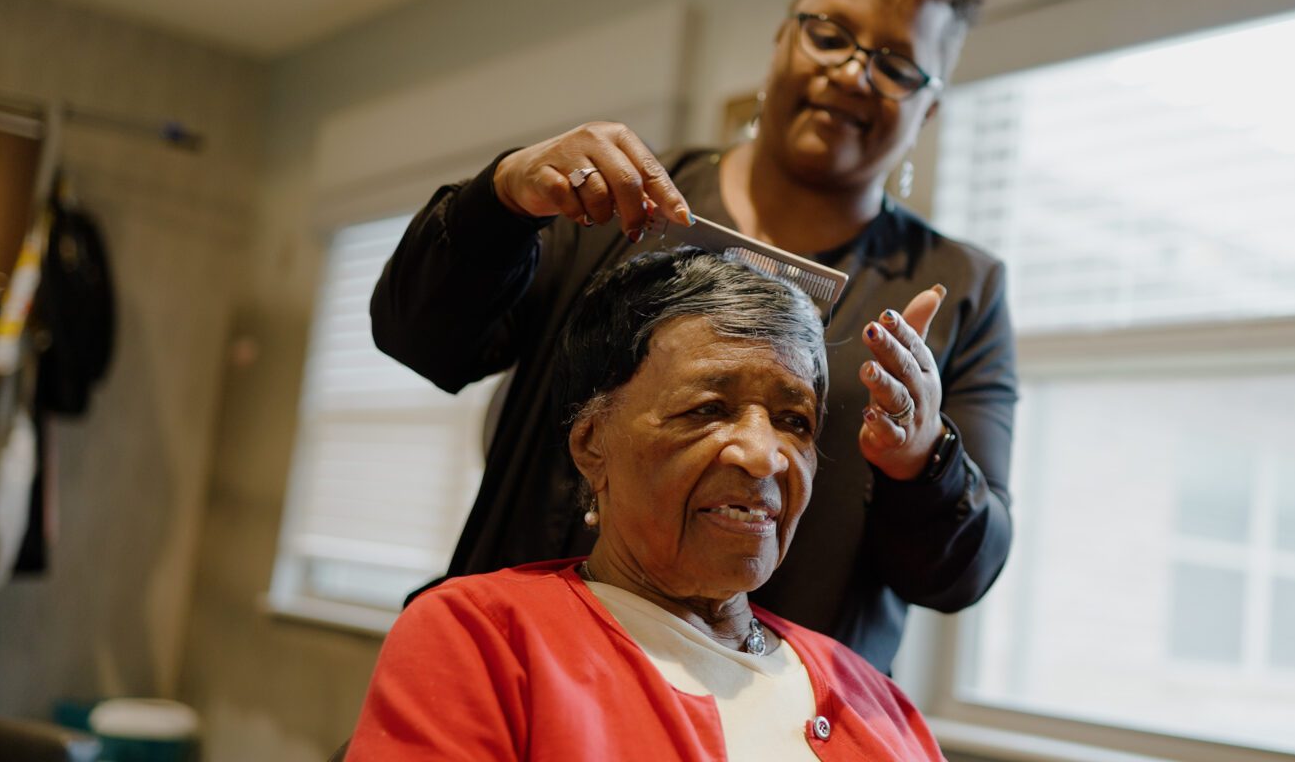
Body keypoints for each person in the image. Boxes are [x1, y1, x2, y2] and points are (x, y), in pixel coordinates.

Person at [371, 0, 1017, 673]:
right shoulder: (617, 204)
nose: (852, 71)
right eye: (830, 33)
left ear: (930, 106)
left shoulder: (959, 290)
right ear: (784, 34)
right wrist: (501, 197)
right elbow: (420, 339)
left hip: (763, 719)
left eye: (897, 63)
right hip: (530, 675)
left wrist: (923, 456)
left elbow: (963, 574)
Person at [348, 250, 944, 761]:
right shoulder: (484, 639)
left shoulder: (872, 697)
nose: (765, 456)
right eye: (708, 409)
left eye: (794, 421)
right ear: (591, 444)